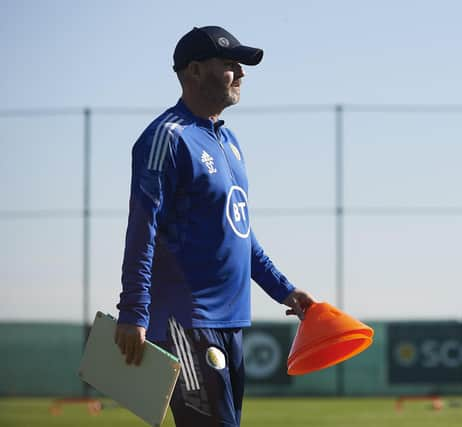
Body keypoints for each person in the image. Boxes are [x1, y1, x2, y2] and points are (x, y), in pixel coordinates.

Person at [114, 26, 315, 427]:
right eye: (228, 64)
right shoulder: (165, 138)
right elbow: (142, 228)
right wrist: (134, 311)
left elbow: (239, 231)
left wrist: (283, 289)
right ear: (193, 71)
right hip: (184, 324)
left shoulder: (230, 142)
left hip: (231, 322)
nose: (240, 74)